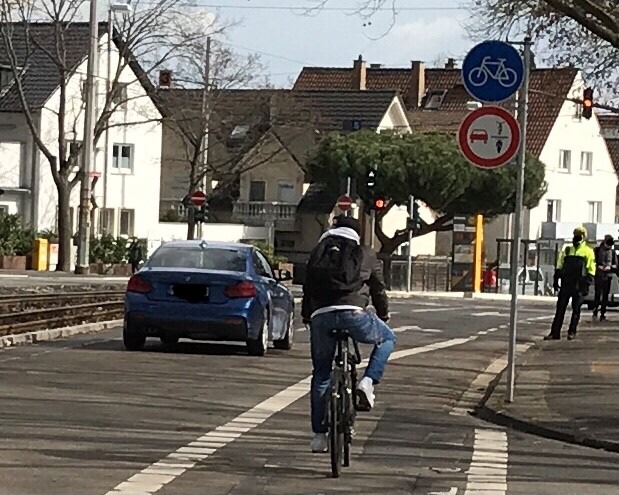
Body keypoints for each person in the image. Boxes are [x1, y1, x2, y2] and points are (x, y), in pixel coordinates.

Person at [302, 215, 396, 453]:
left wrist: (307, 316)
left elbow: (308, 287)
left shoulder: (318, 251)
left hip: (321, 315)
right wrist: (383, 315)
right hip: (354, 313)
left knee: (321, 374)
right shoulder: (365, 253)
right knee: (387, 338)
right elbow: (378, 288)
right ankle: (367, 382)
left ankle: (319, 436)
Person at [546, 226, 596, 341]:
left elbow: (591, 268)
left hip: (579, 285)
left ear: (584, 237)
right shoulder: (567, 249)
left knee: (576, 310)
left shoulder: (588, 251)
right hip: (566, 283)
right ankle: (555, 333)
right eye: (576, 234)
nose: (577, 236)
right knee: (560, 309)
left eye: (580, 234)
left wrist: (586, 283)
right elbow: (560, 265)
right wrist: (556, 279)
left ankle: (572, 332)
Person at [592, 235, 617, 321]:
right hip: (598, 275)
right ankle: (595, 309)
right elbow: (593, 261)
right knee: (597, 294)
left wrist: (610, 267)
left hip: (608, 276)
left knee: (605, 295)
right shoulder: (597, 250)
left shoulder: (612, 252)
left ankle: (603, 312)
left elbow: (616, 264)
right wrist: (598, 266)